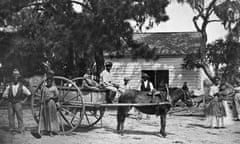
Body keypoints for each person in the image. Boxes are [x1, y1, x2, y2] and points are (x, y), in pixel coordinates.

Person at [0, 69, 31, 134]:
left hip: (18, 103)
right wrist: (1, 101)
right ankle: (12, 129)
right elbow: (4, 95)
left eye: (17, 77)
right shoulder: (9, 86)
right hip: (10, 103)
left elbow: (29, 94)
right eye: (14, 77)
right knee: (10, 116)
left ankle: (20, 129)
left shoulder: (22, 86)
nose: (15, 78)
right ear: (13, 78)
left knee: (19, 116)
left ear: (19, 78)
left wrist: (24, 101)